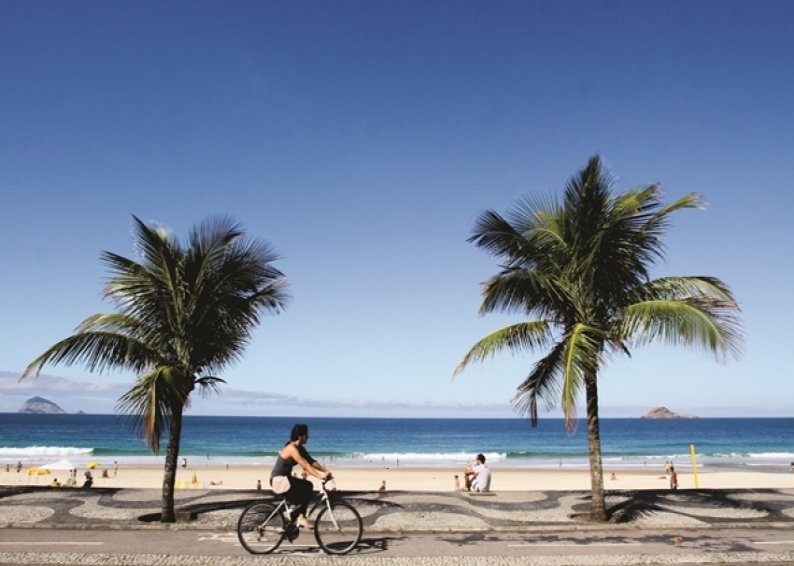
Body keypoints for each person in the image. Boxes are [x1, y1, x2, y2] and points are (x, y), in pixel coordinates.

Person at [270, 423, 331, 530]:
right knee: (307, 486)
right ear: (300, 436)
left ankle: (294, 518)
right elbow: (305, 464)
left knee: (303, 489)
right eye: (306, 435)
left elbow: (311, 461)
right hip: (279, 480)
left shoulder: (300, 448)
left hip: (286, 479)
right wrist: (320, 477)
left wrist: (325, 470)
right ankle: (300, 517)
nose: (308, 437)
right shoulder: (292, 448)